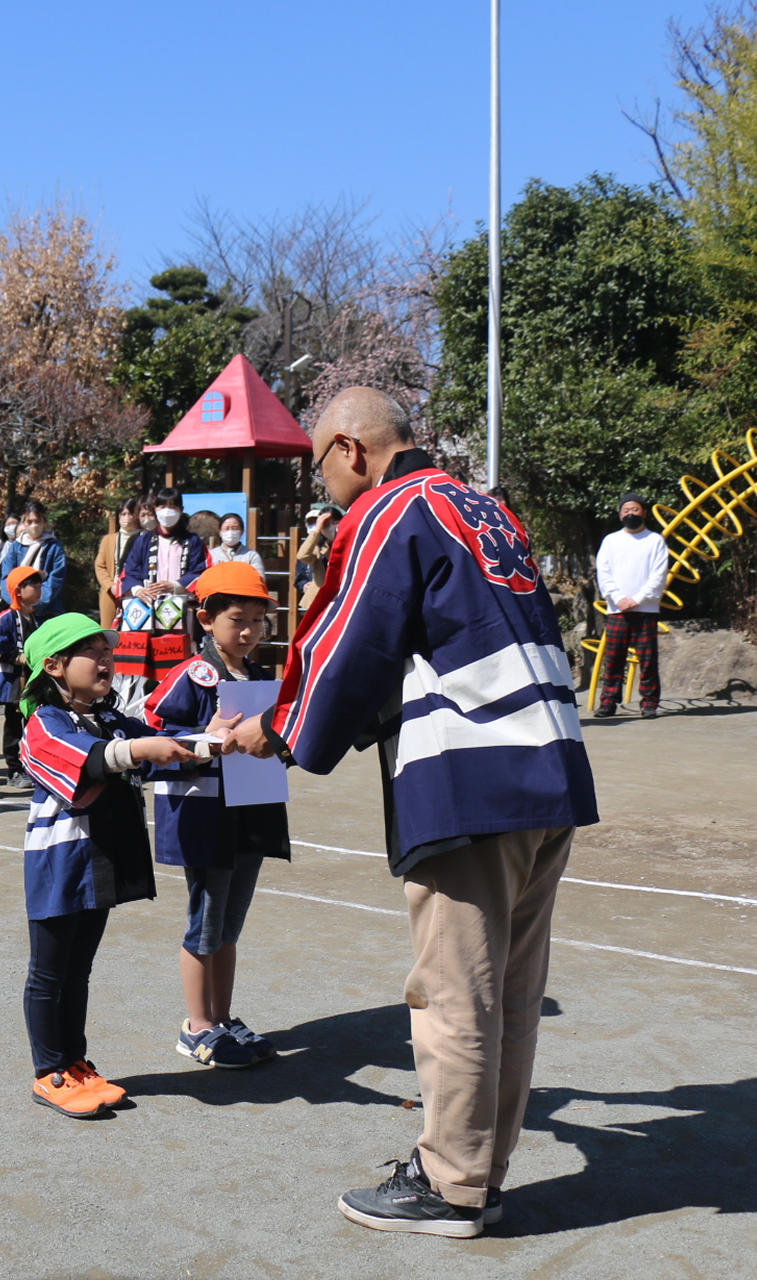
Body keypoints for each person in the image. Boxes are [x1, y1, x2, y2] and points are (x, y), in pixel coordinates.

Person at [223, 386, 598, 1238]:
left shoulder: (393, 509)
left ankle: (451, 1184)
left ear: (351, 449)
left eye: (320, 465)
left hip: (470, 774)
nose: (323, 489)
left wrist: (277, 728)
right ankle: (479, 1168)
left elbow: (351, 638)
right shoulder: (481, 508)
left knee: (454, 991)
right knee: (508, 990)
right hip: (550, 769)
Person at [16, 613, 202, 1118]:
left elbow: (166, 741)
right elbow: (93, 760)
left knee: (78, 971)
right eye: (90, 651)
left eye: (106, 650)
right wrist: (140, 748)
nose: (105, 658)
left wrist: (210, 739)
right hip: (58, 862)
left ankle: (75, 1063)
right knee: (48, 973)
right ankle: (48, 1071)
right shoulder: (43, 723)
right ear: (53, 666)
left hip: (96, 861)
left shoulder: (112, 718)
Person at [143, 562, 289, 1070]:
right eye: (236, 619)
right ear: (205, 620)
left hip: (250, 813)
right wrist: (202, 737)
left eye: (257, 619)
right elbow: (152, 725)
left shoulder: (263, 679)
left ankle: (223, 1019)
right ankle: (196, 1026)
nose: (248, 630)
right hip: (206, 815)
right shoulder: (195, 673)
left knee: (229, 926)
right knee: (204, 923)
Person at [115, 488, 210, 715]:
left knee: (178, 662)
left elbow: (202, 572)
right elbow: (129, 572)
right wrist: (138, 589)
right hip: (145, 615)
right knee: (139, 666)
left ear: (181, 510)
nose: (167, 512)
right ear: (154, 509)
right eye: (162, 506)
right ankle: (135, 712)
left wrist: (176, 585)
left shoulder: (193, 542)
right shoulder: (143, 540)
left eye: (173, 507)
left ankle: (177, 709)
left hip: (182, 616)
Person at [594, 493, 670, 719]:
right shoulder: (610, 541)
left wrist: (637, 599)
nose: (630, 513)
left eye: (635, 509)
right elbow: (603, 573)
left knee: (647, 659)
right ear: (620, 514)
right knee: (614, 659)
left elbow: (659, 575)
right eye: (626, 510)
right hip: (617, 609)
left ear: (644, 512)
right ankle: (608, 702)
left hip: (645, 609)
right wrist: (618, 598)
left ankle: (649, 703)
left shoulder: (655, 540)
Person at [0, 565, 44, 789]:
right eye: (33, 585)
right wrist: (18, 657)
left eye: (39, 585)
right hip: (15, 680)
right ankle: (14, 770)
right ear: (18, 589)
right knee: (14, 725)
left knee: (34, 725)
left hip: (34, 679)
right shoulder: (6, 617)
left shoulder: (35, 617)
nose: (38, 589)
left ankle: (32, 766)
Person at [0, 501, 66, 621]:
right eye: (29, 522)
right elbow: (6, 578)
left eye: (37, 521)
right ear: (23, 523)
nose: (34, 525)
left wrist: (36, 602)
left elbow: (56, 580)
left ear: (44, 523)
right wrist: (15, 602)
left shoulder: (55, 547)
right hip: (17, 609)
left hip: (47, 611)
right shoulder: (16, 546)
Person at [93, 499, 144, 630]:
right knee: (109, 632)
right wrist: (111, 586)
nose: (126, 518)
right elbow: (100, 566)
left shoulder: (145, 537)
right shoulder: (109, 540)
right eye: (122, 514)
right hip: (111, 593)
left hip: (136, 593)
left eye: (130, 513)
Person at [208, 512, 265, 577]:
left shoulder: (251, 556)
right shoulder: (211, 555)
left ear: (242, 531)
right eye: (226, 528)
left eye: (235, 528)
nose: (230, 532)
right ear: (220, 532)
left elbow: (259, 579)